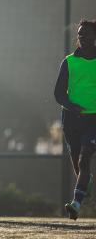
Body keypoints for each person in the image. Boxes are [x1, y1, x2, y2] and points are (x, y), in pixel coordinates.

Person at [54, 19, 96, 220]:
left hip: (94, 119)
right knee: (78, 163)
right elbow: (59, 94)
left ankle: (76, 204)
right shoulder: (69, 62)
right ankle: (85, 184)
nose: (82, 37)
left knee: (85, 156)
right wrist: (73, 107)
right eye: (79, 34)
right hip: (71, 119)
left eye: (86, 34)